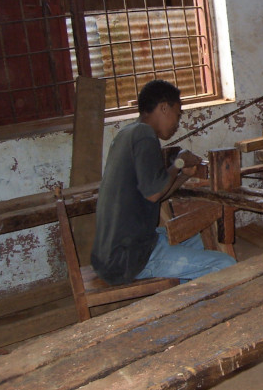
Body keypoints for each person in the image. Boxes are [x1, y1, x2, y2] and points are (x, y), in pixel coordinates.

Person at [91, 79, 236, 285]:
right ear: (164, 108)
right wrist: (178, 163)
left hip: (111, 253)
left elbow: (155, 193)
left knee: (196, 239)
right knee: (226, 264)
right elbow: (154, 194)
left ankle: (188, 302)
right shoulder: (144, 135)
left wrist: (184, 174)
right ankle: (201, 313)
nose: (177, 124)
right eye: (177, 115)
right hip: (129, 258)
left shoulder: (127, 133)